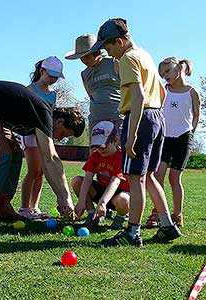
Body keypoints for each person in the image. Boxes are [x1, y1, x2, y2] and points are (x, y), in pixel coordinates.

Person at [90, 18, 182, 247]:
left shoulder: (127, 58)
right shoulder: (145, 55)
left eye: (109, 48)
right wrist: (155, 115)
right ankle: (168, 226)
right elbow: (161, 90)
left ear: (119, 42)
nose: (109, 53)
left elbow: (139, 97)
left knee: (135, 178)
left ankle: (132, 232)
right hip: (156, 117)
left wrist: (131, 135)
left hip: (140, 119)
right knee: (149, 175)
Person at [0, 80, 85, 232]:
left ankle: (1, 209)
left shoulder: (40, 117)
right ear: (60, 121)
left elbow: (48, 160)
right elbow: (50, 158)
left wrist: (64, 196)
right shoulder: (43, 113)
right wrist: (64, 198)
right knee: (0, 156)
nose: (59, 138)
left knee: (15, 155)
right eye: (62, 134)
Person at [145, 57, 201, 228]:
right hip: (164, 138)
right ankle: (157, 213)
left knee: (174, 178)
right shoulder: (163, 90)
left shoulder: (192, 92)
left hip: (183, 138)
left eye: (168, 71)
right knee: (157, 174)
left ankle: (177, 215)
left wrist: (190, 133)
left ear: (179, 67)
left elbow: (196, 115)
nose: (165, 76)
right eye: (162, 73)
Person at [18, 56, 64, 221]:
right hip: (29, 134)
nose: (53, 80)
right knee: (33, 170)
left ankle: (34, 207)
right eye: (51, 75)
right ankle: (24, 208)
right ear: (41, 71)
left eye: (56, 77)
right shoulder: (30, 90)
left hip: (44, 136)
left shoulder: (52, 95)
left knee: (42, 172)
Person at [71, 121, 130, 230]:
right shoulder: (96, 155)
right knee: (77, 181)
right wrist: (81, 201)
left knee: (124, 200)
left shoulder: (120, 157)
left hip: (117, 194)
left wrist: (103, 202)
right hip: (102, 190)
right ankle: (92, 214)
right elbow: (88, 178)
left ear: (115, 141)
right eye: (97, 146)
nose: (100, 150)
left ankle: (120, 217)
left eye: (103, 146)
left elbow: (115, 182)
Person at [65, 34, 123, 135]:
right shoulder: (84, 74)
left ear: (97, 52)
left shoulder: (114, 63)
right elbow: (90, 95)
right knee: (96, 150)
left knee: (119, 149)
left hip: (117, 116)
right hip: (96, 120)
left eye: (87, 56)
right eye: (81, 58)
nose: (84, 60)